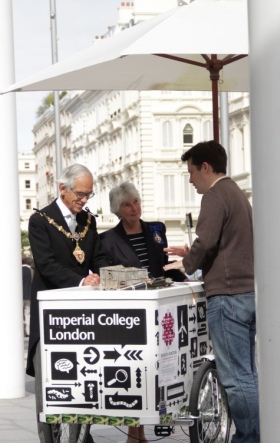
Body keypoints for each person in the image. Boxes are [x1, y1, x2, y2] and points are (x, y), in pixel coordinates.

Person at [163, 141, 259, 443]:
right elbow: (225, 243)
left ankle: (249, 437)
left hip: (228, 296)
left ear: (206, 167)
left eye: (191, 172)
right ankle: (257, 433)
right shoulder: (237, 194)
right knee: (248, 373)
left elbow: (205, 242)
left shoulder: (215, 195)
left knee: (235, 377)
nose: (190, 180)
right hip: (245, 291)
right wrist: (192, 252)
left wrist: (185, 263)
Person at [28, 164, 111, 443]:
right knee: (49, 388)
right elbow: (46, 265)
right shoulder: (40, 220)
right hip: (51, 317)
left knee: (84, 380)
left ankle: (82, 435)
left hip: (83, 317)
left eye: (89, 194)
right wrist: (80, 282)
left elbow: (96, 256)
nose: (84, 200)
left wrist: (99, 273)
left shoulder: (88, 220)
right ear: (62, 188)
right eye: (80, 194)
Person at [100, 181, 186, 443]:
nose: (133, 208)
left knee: (156, 372)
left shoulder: (156, 230)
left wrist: (185, 278)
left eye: (135, 201)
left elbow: (165, 266)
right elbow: (107, 274)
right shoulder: (108, 239)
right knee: (133, 373)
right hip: (131, 313)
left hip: (160, 308)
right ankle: (134, 433)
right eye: (127, 204)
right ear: (117, 210)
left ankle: (139, 434)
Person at [22, 255, 33, 337]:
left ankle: (21, 329)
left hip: (20, 296)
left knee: (19, 314)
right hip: (29, 294)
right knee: (28, 314)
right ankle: (28, 331)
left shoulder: (17, 270)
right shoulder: (31, 271)